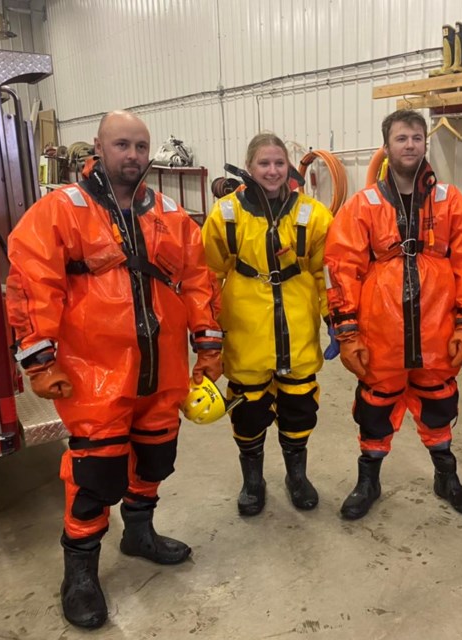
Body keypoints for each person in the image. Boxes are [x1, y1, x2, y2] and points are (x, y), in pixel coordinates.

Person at [5, 111, 224, 628]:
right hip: (94, 375)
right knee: (95, 474)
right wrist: (39, 359)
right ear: (98, 150)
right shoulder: (61, 211)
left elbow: (198, 283)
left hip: (162, 371)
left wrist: (208, 348)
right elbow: (33, 284)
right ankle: (79, 572)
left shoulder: (170, 214)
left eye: (141, 146)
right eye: (122, 144)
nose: (133, 155)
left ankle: (139, 533)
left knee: (153, 459)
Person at [324, 109, 462, 520]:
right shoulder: (363, 205)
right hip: (381, 334)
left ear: (425, 142)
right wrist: (347, 334)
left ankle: (446, 476)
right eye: (401, 138)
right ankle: (368, 480)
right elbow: (341, 269)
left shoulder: (451, 201)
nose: (410, 144)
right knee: (375, 407)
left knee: (439, 402)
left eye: (417, 137)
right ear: (387, 146)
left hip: (438, 330)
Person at [201, 133, 334, 517]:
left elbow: (329, 274)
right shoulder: (226, 215)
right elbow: (205, 277)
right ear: (249, 168)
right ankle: (253, 481)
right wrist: (206, 334)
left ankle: (297, 476)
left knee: (300, 407)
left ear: (288, 167)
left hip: (298, 331)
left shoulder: (313, 215)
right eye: (264, 163)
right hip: (245, 332)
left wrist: (336, 320)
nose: (273, 171)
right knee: (248, 410)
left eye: (279, 163)